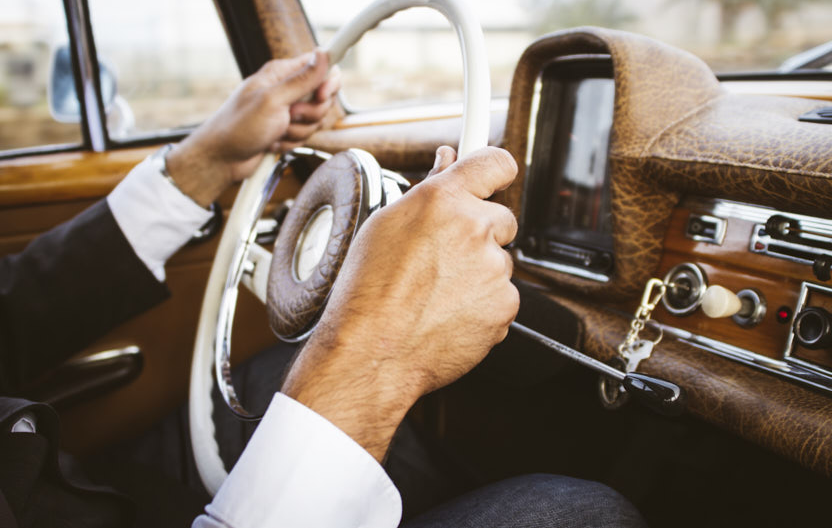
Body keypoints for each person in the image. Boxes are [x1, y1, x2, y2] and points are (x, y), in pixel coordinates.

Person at [0, 49, 646, 528]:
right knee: (583, 513)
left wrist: (206, 160)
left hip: (58, 482)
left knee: (274, 373)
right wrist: (374, 350)